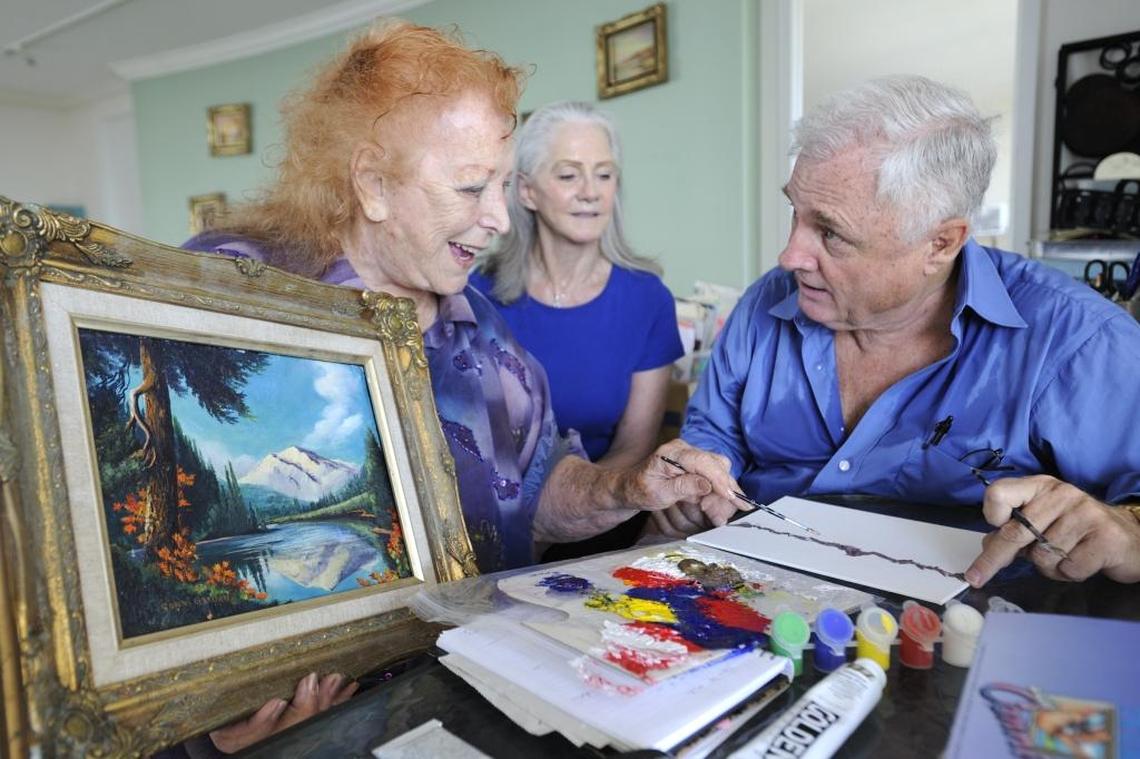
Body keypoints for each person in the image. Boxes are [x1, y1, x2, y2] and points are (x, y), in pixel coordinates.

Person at [181, 20, 729, 753]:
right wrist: (213, 716)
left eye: (500, 186)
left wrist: (627, 487)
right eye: (472, 187)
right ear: (373, 183)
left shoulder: (483, 329)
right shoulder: (228, 285)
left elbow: (537, 490)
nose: (498, 219)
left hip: (456, 698)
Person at [663, 74, 1140, 588]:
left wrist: (1128, 526)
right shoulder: (766, 304)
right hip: (751, 594)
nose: (789, 256)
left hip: (970, 618)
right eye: (794, 213)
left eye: (830, 232)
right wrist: (694, 479)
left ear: (941, 243)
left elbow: (1128, 521)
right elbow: (713, 437)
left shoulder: (1081, 341)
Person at [471, 101, 683, 558]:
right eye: (569, 175)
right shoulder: (475, 295)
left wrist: (556, 523)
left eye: (604, 175)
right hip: (488, 521)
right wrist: (518, 529)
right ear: (527, 191)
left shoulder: (648, 299)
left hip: (601, 523)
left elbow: (635, 446)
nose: (590, 192)